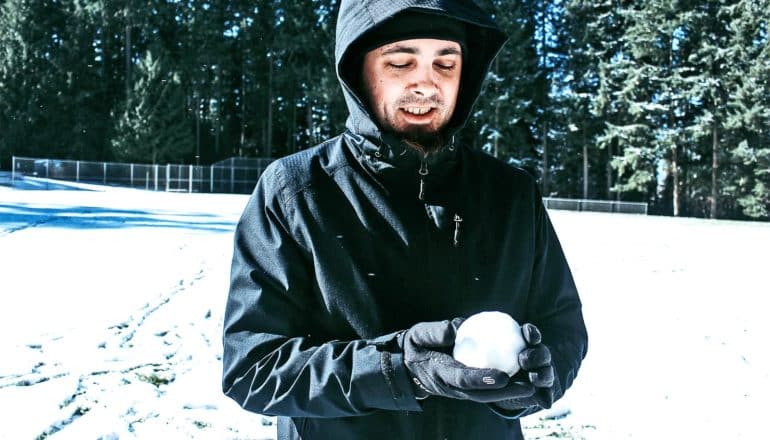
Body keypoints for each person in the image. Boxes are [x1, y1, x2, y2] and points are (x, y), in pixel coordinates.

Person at [222, 1, 588, 439]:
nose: (426, 81)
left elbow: (562, 325)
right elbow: (253, 367)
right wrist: (400, 369)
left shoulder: (511, 195)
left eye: (446, 63)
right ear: (359, 71)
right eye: (400, 61)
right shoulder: (296, 191)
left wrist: (535, 380)